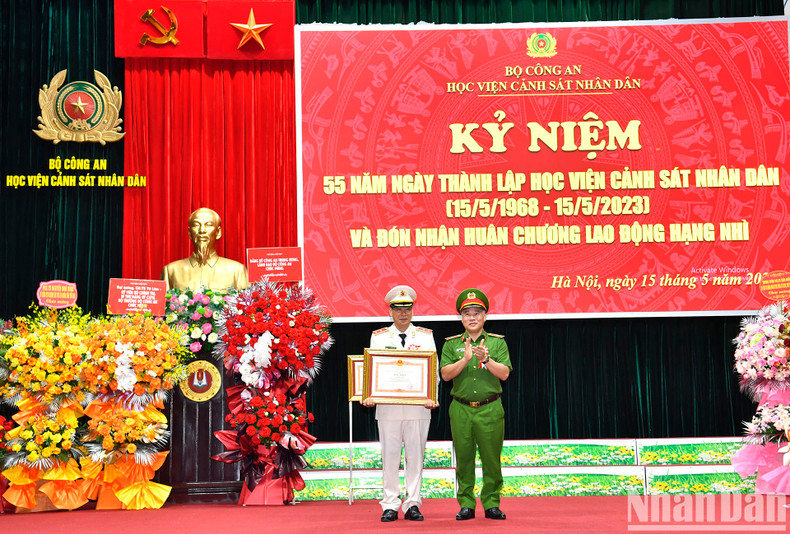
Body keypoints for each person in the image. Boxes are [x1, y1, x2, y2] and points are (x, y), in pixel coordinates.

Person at [362, 285, 438, 522]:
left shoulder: (425, 336)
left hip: (418, 407)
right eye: (398, 309)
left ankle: (413, 503)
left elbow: (432, 370)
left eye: (407, 308)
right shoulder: (379, 337)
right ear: (390, 311)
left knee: (416, 457)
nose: (403, 313)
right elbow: (370, 371)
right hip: (388, 408)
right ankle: (390, 504)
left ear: (413, 310)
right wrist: (368, 393)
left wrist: (431, 395)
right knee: (390, 457)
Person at [440, 288, 511, 521]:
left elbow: (504, 374)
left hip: (490, 408)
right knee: (464, 458)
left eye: (477, 313)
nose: (472, 317)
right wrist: (466, 359)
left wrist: (486, 359)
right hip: (460, 409)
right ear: (461, 318)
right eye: (467, 313)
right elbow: (446, 375)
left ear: (485, 317)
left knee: (491, 458)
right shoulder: (451, 345)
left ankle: (491, 502)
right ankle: (466, 504)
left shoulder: (497, 343)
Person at [161, 207, 249, 291]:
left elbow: (246, 304)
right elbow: (162, 305)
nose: (202, 230)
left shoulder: (237, 271)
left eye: (208, 225)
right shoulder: (171, 271)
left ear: (218, 233)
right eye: (196, 225)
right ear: (190, 233)